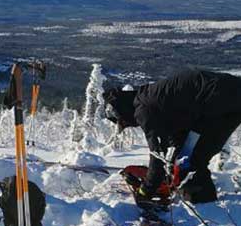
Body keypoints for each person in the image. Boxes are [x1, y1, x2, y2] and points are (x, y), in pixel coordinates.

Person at [103, 68, 241, 204]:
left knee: (190, 162)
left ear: (123, 112)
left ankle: (206, 209)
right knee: (186, 159)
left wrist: (146, 191)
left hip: (220, 99)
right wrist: (170, 170)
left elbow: (158, 156)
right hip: (222, 96)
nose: (128, 125)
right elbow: (177, 136)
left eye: (123, 122)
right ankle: (203, 203)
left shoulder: (144, 111)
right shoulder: (148, 99)